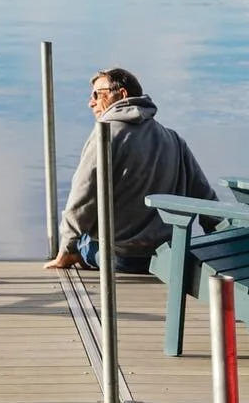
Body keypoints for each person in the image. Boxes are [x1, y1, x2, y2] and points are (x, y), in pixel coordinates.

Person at [44, 66, 215, 273]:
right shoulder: (173, 139)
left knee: (83, 242)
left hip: (119, 256)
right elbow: (205, 197)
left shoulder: (105, 134)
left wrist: (67, 248)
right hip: (167, 255)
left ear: (122, 94)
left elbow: (82, 198)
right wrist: (221, 242)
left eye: (97, 95)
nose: (91, 102)